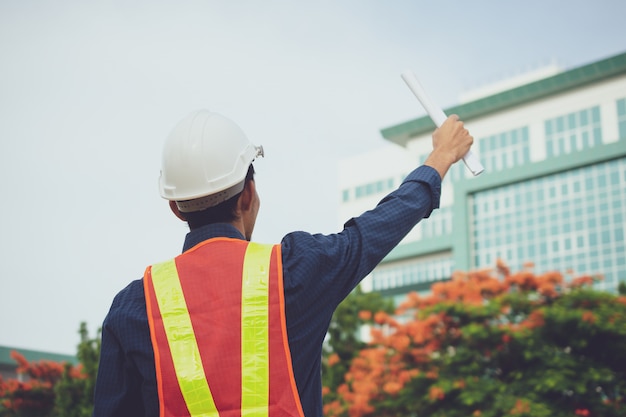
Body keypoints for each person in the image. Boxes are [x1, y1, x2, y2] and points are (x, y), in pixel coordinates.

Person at [92, 109, 473, 417]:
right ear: (249, 195)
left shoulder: (133, 307)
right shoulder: (295, 270)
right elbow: (374, 231)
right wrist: (440, 158)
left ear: (175, 208)